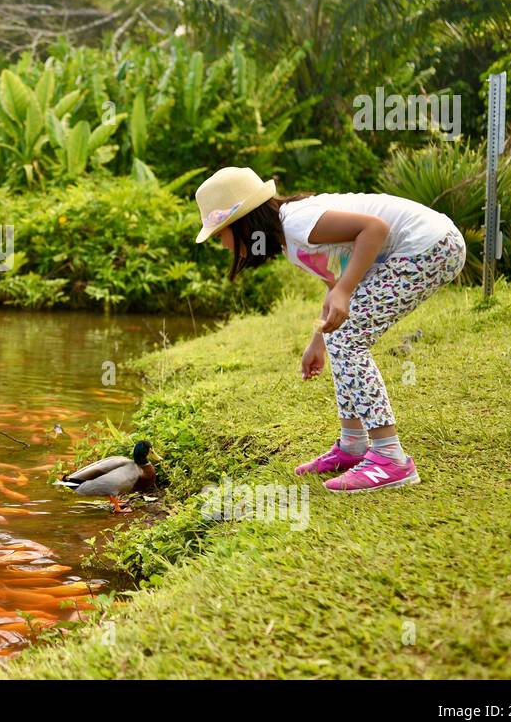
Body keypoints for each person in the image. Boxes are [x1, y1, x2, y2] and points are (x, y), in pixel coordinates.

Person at [194, 167, 466, 492]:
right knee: (340, 334)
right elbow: (334, 285)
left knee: (348, 338)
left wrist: (347, 290)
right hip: (423, 248)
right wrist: (318, 342)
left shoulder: (297, 223)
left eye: (221, 233)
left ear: (244, 223)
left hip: (431, 247)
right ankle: (353, 447)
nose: (223, 244)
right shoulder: (291, 241)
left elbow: (373, 229)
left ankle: (390, 457)